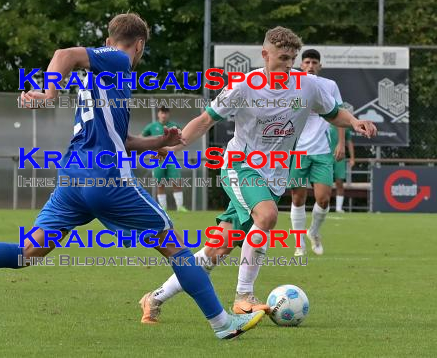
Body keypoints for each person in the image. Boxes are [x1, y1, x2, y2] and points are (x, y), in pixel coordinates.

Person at [0, 13, 264, 340]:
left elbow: (123, 140)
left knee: (28, 252)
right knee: (174, 246)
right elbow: (64, 53)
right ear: (139, 44)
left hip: (73, 180)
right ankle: (222, 323)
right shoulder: (119, 60)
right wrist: (49, 94)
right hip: (106, 178)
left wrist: (159, 142)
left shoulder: (99, 79)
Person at [139, 27, 377, 324]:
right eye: (281, 58)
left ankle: (154, 297)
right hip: (240, 165)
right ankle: (244, 296)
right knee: (266, 216)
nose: (288, 64)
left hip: (274, 176)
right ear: (265, 55)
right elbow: (205, 119)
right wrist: (176, 143)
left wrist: (354, 122)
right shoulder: (244, 86)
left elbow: (333, 113)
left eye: (292, 58)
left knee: (218, 247)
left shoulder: (307, 86)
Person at [289, 49, 346, 256]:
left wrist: (340, 142)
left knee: (323, 199)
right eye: (307, 62)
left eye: (314, 62)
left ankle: (313, 232)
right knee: (297, 199)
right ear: (301, 65)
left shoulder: (329, 85)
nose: (310, 65)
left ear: (319, 66)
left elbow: (340, 113)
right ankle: (299, 244)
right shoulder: (292, 83)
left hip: (322, 151)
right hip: (298, 151)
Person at [142, 107, 188, 211]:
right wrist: (149, 150)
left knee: (176, 181)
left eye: (166, 112)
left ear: (169, 114)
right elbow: (141, 138)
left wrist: (174, 149)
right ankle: (163, 207)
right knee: (160, 183)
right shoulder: (152, 126)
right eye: (162, 112)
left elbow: (183, 139)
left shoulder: (174, 126)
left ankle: (180, 207)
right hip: (157, 159)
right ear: (158, 114)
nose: (164, 115)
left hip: (171, 157)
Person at [330, 120, 355, 212]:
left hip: (340, 158)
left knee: (339, 183)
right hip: (326, 157)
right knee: (324, 183)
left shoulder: (345, 127)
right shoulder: (327, 125)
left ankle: (338, 208)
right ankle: (323, 206)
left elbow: (349, 142)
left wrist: (352, 158)